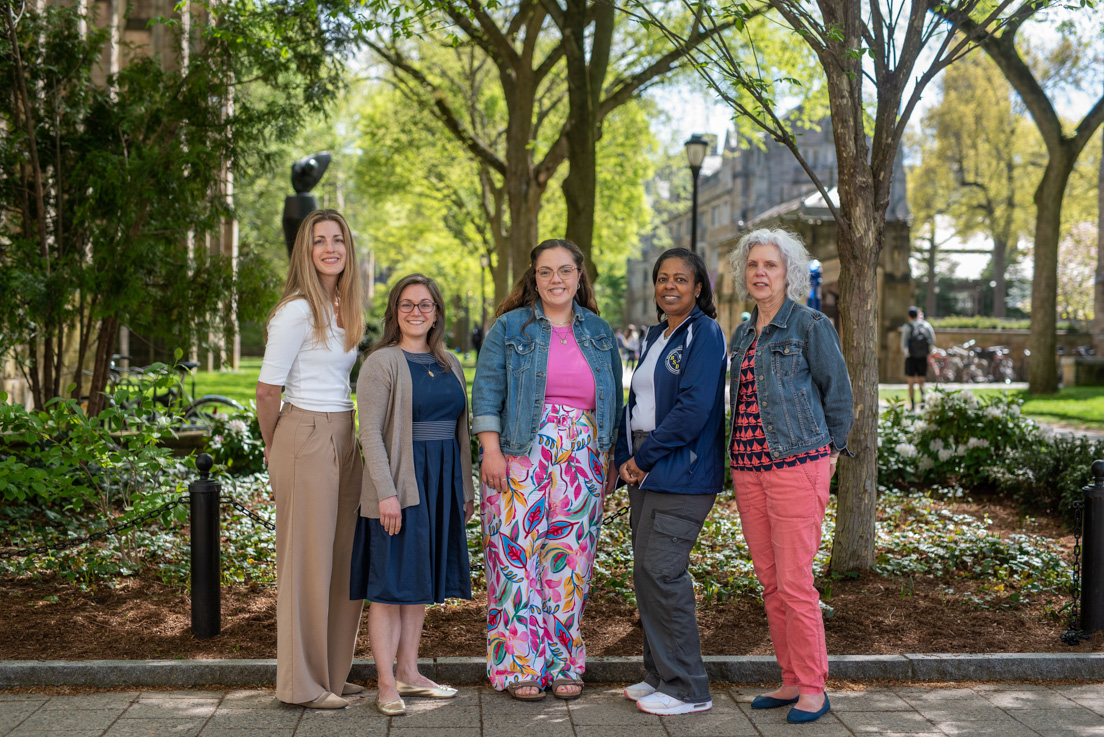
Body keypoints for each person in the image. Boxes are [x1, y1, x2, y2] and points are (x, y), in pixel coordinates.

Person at [471, 238, 622, 701]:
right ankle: (518, 665)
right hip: (520, 452)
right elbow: (486, 391)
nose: (555, 280)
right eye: (545, 272)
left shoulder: (599, 331)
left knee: (569, 562)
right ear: (533, 278)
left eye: (565, 271)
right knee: (514, 558)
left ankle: (562, 665)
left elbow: (613, 397)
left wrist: (608, 454)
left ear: (579, 276)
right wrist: (491, 451)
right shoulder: (510, 327)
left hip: (583, 456)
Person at [727, 229, 853, 724]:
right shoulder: (743, 333)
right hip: (747, 468)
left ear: (789, 273)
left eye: (771, 266)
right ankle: (790, 678)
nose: (761, 273)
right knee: (771, 582)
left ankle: (814, 686)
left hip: (796, 465)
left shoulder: (810, 326)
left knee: (797, 583)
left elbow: (838, 395)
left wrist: (832, 452)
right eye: (753, 264)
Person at [256, 209, 366, 710]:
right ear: (306, 249)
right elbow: (266, 391)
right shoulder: (297, 310)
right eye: (319, 240)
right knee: (306, 564)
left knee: (343, 562)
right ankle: (300, 685)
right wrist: (275, 449)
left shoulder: (343, 303)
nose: (329, 248)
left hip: (345, 432)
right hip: (305, 433)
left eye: (337, 240)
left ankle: (331, 675)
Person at [352, 273, 475, 716]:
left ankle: (410, 670)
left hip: (441, 481)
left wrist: (464, 486)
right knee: (388, 586)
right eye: (407, 305)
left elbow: (462, 431)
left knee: (417, 584)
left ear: (437, 312)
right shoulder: (381, 363)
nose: (416, 312)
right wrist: (386, 493)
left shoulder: (450, 363)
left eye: (425, 305)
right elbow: (369, 434)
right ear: (394, 312)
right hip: (401, 483)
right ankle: (386, 682)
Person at [614, 247, 727, 717]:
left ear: (699, 287)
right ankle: (659, 675)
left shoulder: (705, 334)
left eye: (681, 279)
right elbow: (637, 403)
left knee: (662, 571)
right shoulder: (659, 334)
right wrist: (624, 459)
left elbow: (694, 409)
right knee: (646, 573)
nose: (670, 286)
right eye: (663, 278)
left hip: (681, 470)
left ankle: (688, 687)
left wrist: (643, 458)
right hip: (648, 466)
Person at [901, 306, 935, 409]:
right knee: (922, 380)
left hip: (911, 357)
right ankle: (922, 400)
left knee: (911, 382)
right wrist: (927, 353)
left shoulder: (907, 326)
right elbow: (932, 340)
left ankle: (912, 404)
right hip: (922, 357)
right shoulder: (926, 325)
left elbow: (903, 343)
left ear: (908, 316)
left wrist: (906, 353)